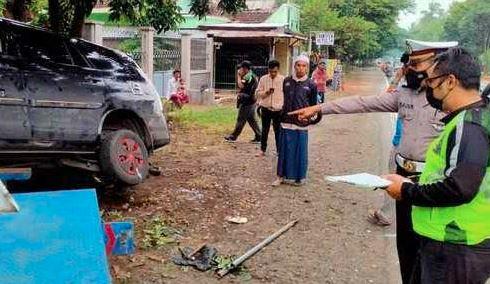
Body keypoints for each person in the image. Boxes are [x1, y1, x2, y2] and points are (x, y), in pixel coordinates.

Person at [289, 39, 458, 283]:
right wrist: (319, 109)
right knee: (407, 247)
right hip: (403, 176)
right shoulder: (404, 94)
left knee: (432, 251)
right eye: (409, 64)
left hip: (433, 181)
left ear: (439, 67)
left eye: (417, 64)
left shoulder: (450, 101)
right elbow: (362, 103)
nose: (410, 69)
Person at [384, 47, 490, 283]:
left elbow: (460, 187)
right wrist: (411, 182)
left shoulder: (470, 127)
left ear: (450, 81)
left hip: (455, 245)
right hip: (450, 243)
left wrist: (406, 191)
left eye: (432, 81)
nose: (428, 88)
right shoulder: (470, 119)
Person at [273, 54, 318, 186]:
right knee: (284, 150)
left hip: (301, 123)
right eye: (298, 65)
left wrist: (308, 119)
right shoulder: (286, 81)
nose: (300, 68)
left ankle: (299, 178)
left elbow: (313, 105)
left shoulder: (311, 84)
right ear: (294, 66)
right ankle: (280, 176)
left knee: (300, 151)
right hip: (286, 121)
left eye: (304, 66)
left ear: (307, 68)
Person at [224, 61, 261, 143]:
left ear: (245, 69)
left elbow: (240, 85)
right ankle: (259, 136)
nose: (240, 69)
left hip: (247, 102)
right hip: (251, 101)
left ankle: (233, 136)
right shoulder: (252, 75)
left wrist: (238, 75)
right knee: (252, 120)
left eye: (241, 68)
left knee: (241, 119)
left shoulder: (248, 77)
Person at [256, 59, 284, 156]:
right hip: (265, 108)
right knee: (265, 130)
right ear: (268, 70)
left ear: (278, 70)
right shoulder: (263, 79)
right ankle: (262, 150)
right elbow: (258, 93)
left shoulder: (283, 80)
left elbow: (286, 94)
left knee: (278, 131)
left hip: (278, 110)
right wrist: (266, 92)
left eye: (275, 71)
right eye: (271, 71)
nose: (273, 73)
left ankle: (279, 151)